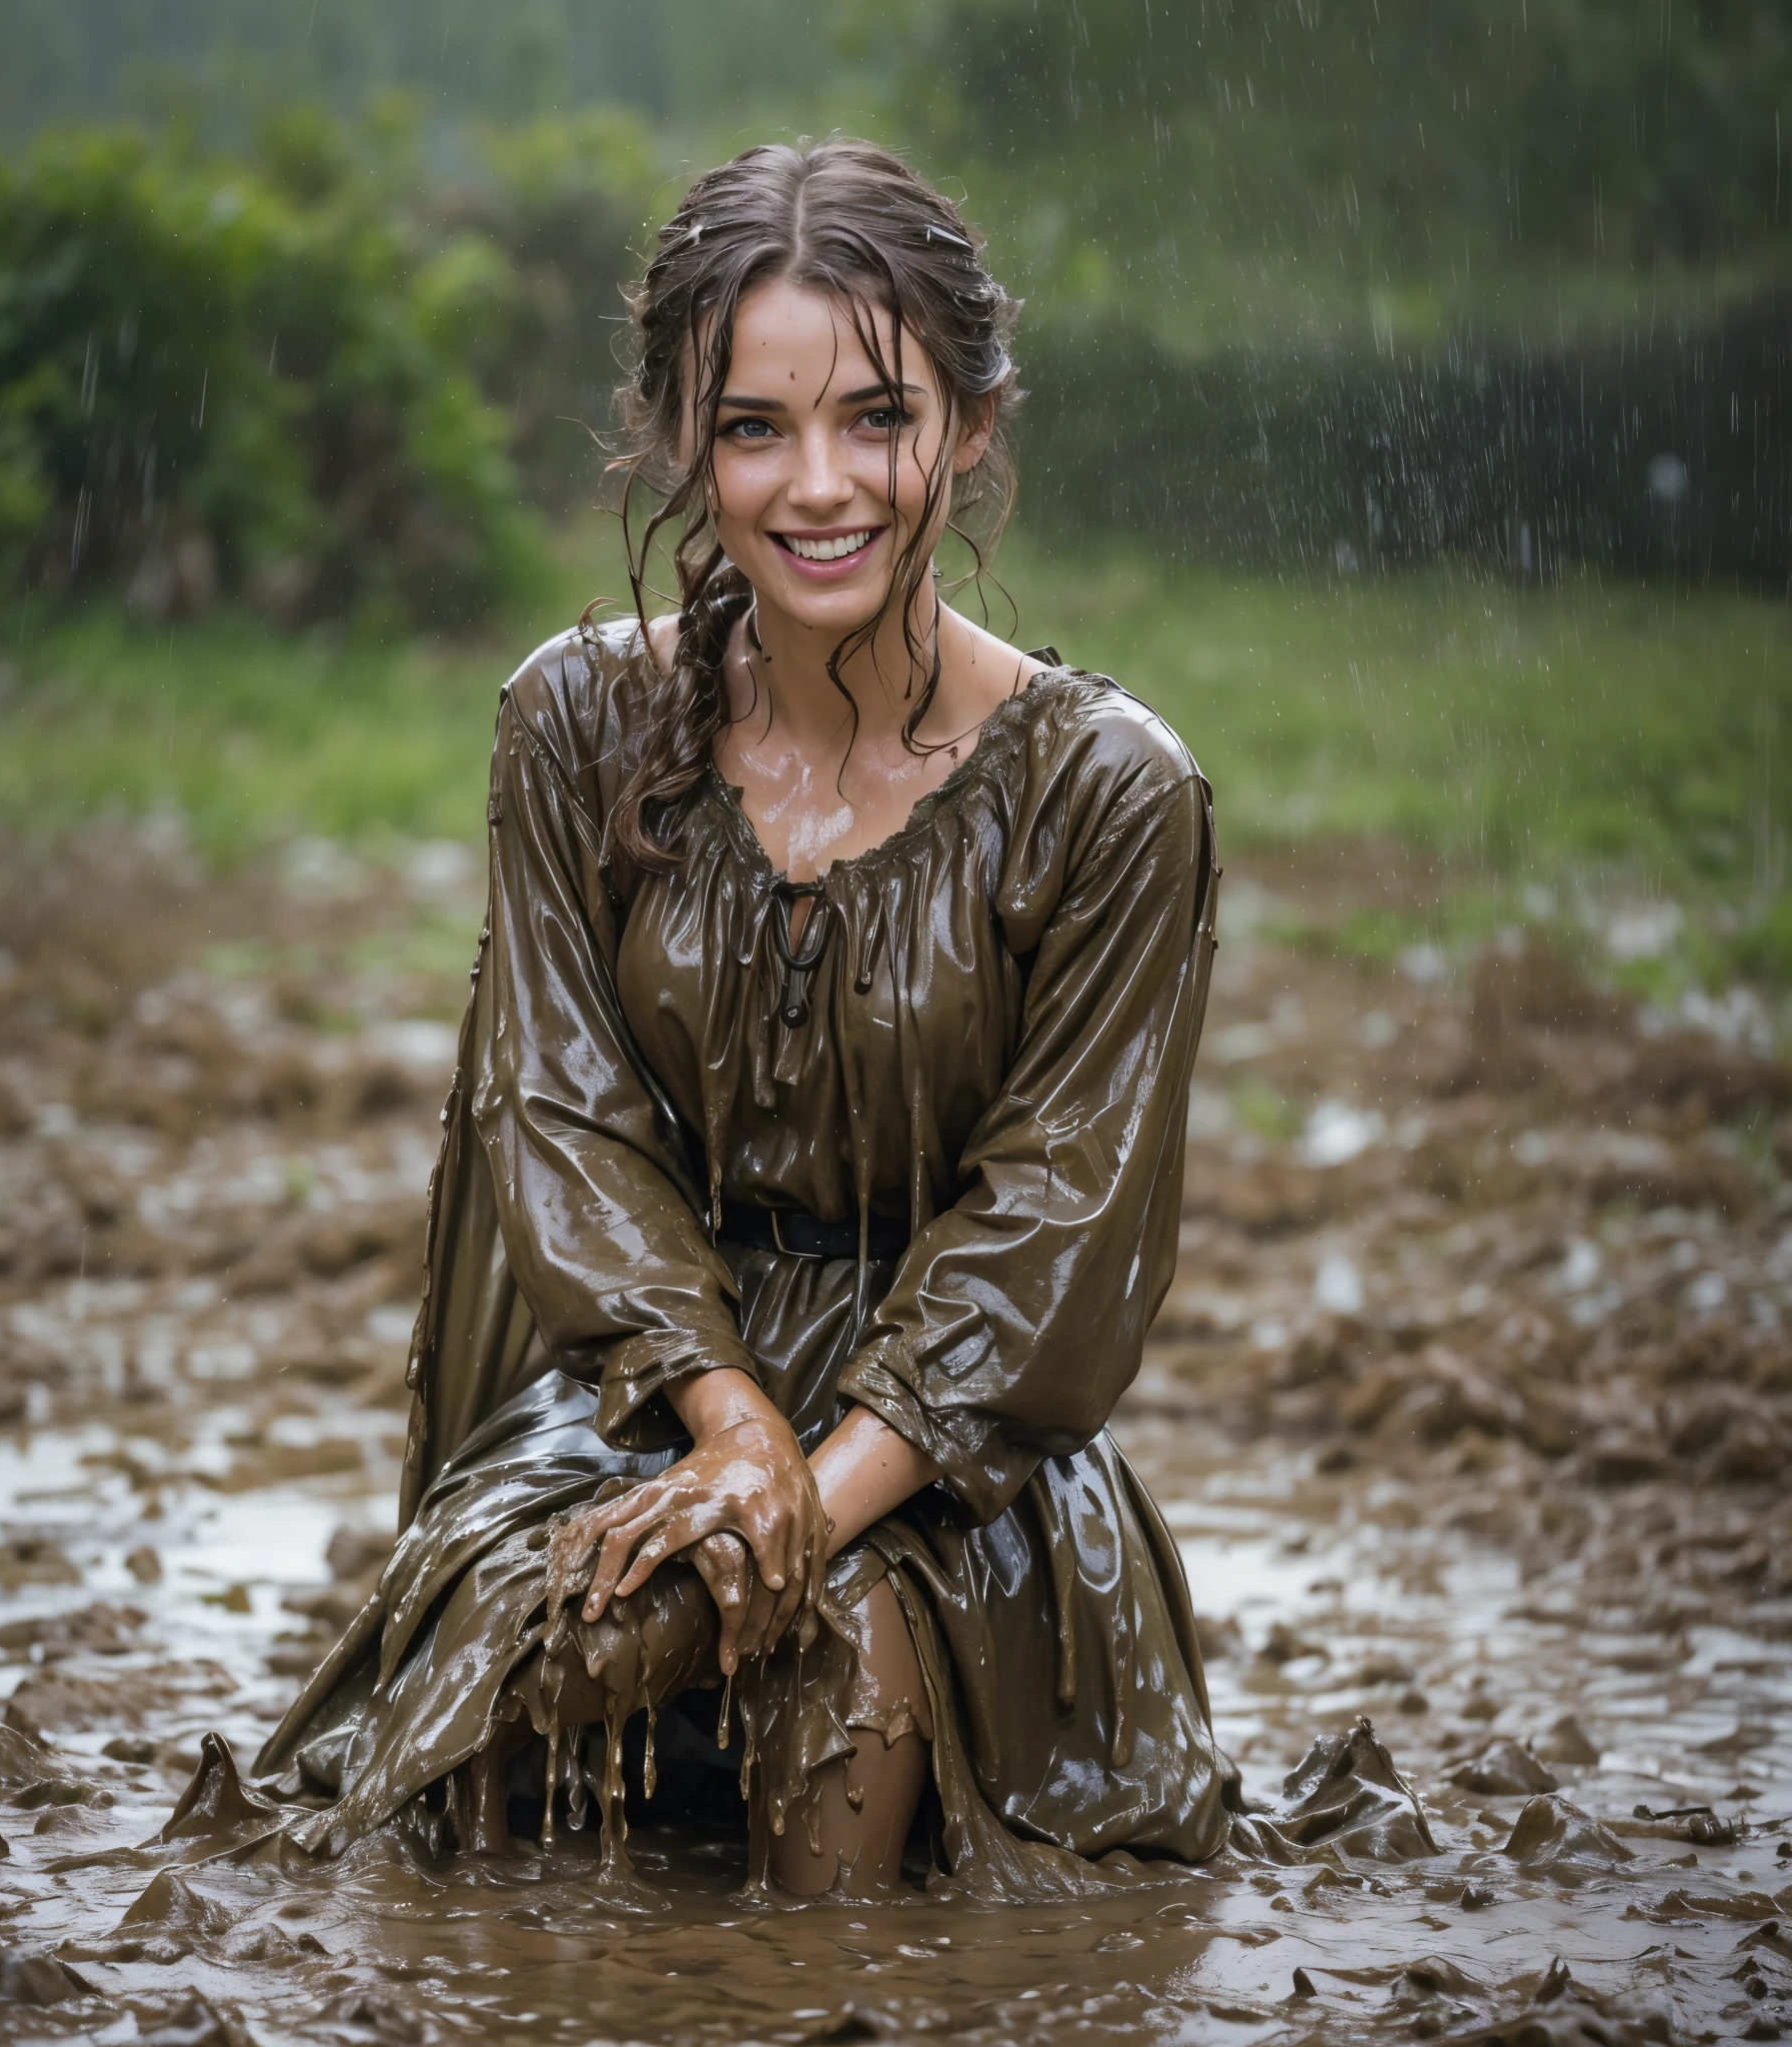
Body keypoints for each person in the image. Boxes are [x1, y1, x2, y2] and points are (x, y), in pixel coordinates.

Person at [255, 137, 1229, 1898]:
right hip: (631, 1398)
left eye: (880, 417)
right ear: (679, 443)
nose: (822, 485)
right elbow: (561, 1120)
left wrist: (796, 1501)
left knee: (838, 1662)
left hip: (960, 1465)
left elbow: (1056, 1234)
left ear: (974, 428)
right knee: (534, 1655)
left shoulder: (1111, 792)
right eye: (754, 427)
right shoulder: (572, 722)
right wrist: (721, 1434)